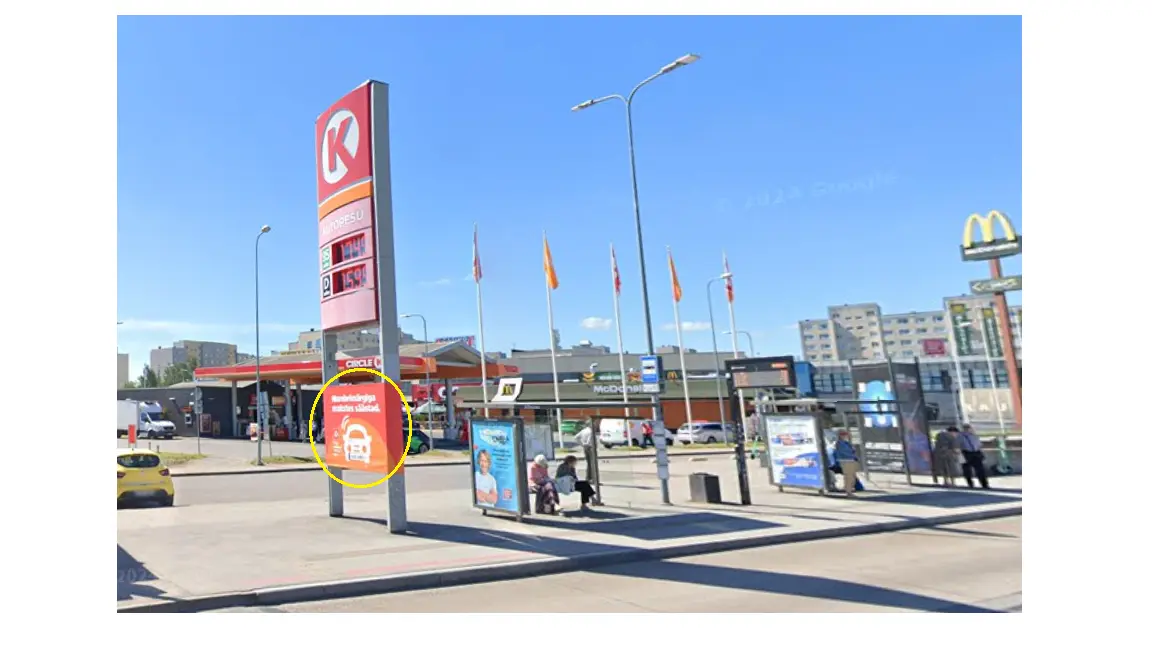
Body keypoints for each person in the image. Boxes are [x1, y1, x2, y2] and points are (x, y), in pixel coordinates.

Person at [958, 424, 990, 489]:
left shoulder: (974, 435)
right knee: (967, 470)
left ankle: (984, 484)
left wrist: (980, 451)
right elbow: (957, 445)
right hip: (966, 453)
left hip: (976, 452)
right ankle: (970, 483)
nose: (968, 430)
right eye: (966, 428)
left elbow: (979, 444)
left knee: (980, 469)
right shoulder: (960, 436)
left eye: (969, 428)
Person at [832, 429, 861, 497]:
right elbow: (844, 452)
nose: (845, 435)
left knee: (852, 477)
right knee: (849, 477)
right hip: (845, 461)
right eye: (843, 434)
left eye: (845, 434)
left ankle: (848, 489)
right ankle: (849, 492)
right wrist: (853, 455)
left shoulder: (846, 443)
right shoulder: (839, 443)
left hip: (850, 460)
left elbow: (851, 451)